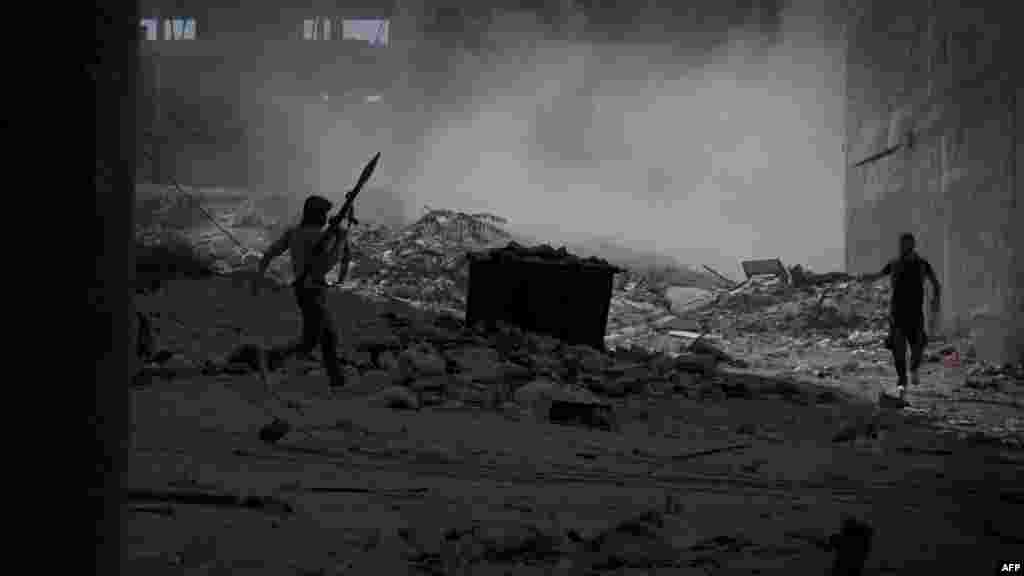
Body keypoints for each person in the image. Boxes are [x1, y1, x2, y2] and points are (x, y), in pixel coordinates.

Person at [253, 195, 352, 390]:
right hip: (314, 290)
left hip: (302, 290)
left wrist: (259, 276)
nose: (326, 217)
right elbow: (326, 264)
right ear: (317, 214)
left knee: (315, 338)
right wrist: (340, 240)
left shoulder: (294, 233)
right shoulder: (320, 236)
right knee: (323, 338)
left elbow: (269, 254)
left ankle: (335, 379)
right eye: (324, 213)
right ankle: (270, 359)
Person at [859, 233, 941, 400]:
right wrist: (868, 278)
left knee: (918, 347)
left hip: (915, 315)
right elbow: (880, 275)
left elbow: (935, 283)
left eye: (907, 245)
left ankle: (914, 369)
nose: (904, 248)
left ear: (913, 245)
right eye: (902, 245)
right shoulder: (894, 264)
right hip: (897, 314)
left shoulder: (922, 264)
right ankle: (902, 382)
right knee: (898, 350)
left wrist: (935, 301)